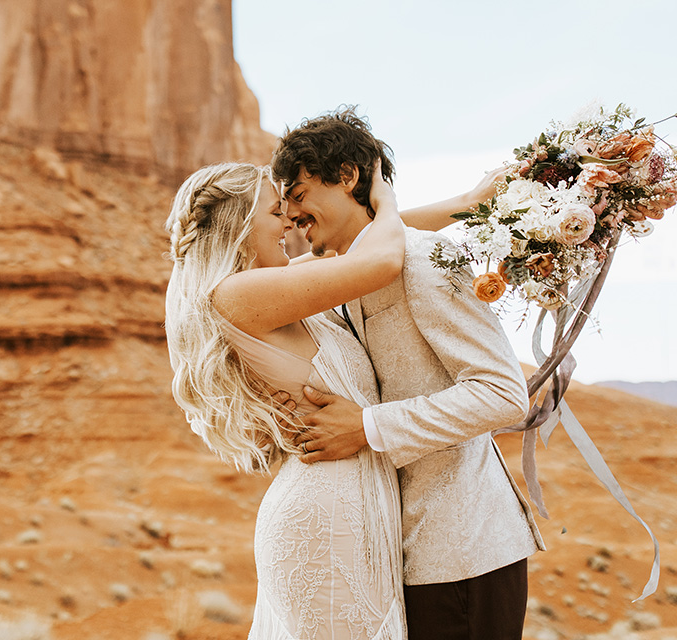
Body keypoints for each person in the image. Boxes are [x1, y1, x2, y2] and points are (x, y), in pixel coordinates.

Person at [163, 159, 499, 639]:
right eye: (275, 211)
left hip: (351, 502)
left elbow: (365, 241)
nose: (288, 223)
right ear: (239, 223)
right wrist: (384, 198)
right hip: (325, 517)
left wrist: (466, 205)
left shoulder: (271, 285)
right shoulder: (237, 294)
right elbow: (378, 260)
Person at [272, 108, 545, 640]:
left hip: (463, 555)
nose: (290, 215)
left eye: (299, 194)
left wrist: (366, 427)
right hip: (395, 557)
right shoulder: (334, 274)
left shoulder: (425, 260)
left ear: (348, 177)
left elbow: (503, 394)